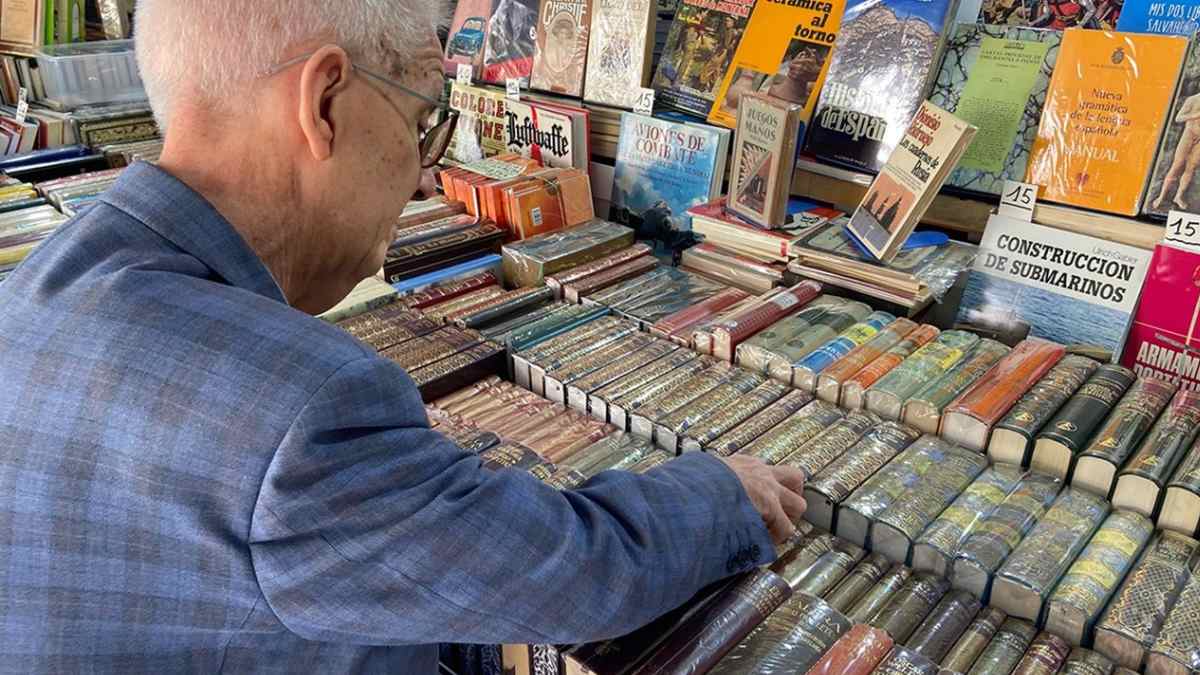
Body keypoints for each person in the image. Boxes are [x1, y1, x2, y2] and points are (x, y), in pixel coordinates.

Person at [0, 2, 809, 673]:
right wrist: (722, 492)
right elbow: (571, 570)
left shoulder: (33, 288)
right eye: (424, 125)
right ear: (323, 104)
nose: (426, 176)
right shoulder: (301, 409)